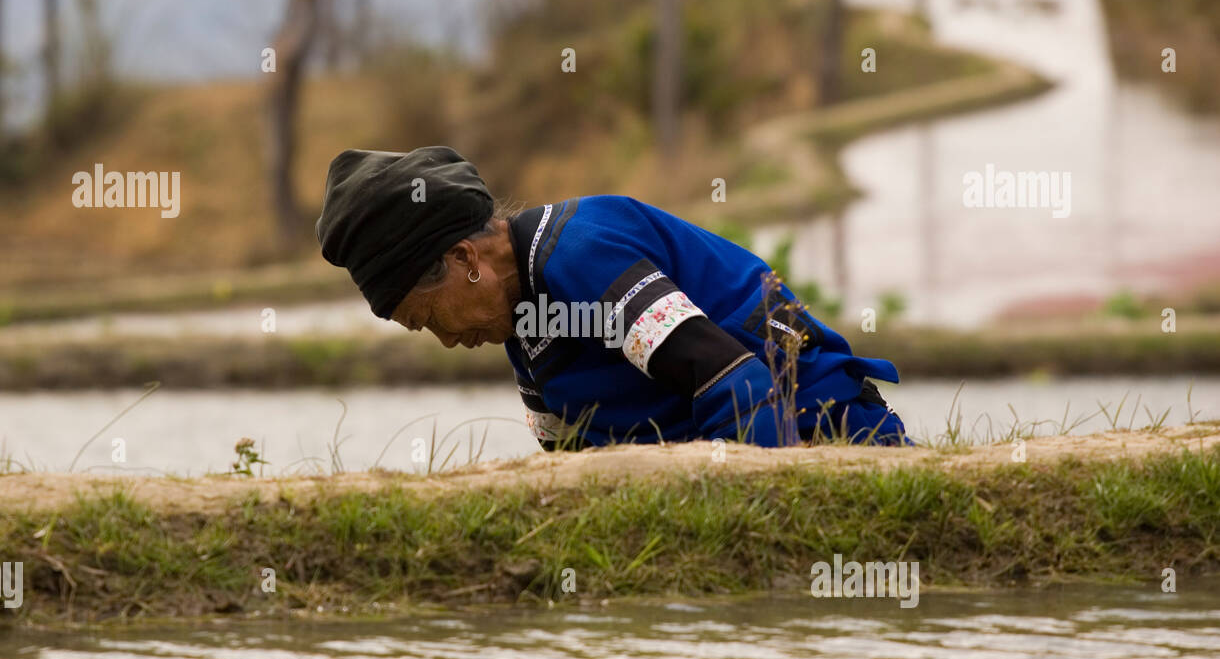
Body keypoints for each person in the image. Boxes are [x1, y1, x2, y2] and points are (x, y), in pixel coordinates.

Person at [316, 145, 912, 449]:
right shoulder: (523, 318)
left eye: (429, 320)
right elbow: (567, 458)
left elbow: (737, 385)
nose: (448, 340)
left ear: (465, 261)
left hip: (829, 431)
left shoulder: (579, 257)